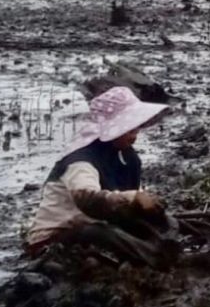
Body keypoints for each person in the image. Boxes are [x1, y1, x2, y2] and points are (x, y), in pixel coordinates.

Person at [26, 86, 172, 265]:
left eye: (136, 128)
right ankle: (155, 259)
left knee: (162, 220)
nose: (135, 134)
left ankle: (159, 247)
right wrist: (134, 198)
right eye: (129, 129)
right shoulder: (81, 160)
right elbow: (88, 199)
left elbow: (129, 193)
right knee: (99, 232)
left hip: (101, 222)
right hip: (57, 237)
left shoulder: (127, 156)